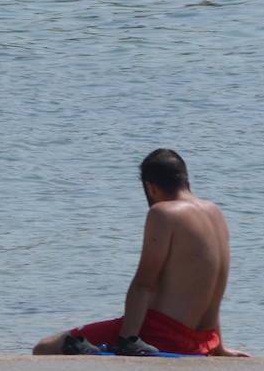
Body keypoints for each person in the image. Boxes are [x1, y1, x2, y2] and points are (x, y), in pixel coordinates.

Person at [32, 149, 250, 357]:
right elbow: (211, 288)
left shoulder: (163, 213)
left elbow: (145, 283)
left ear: (150, 187)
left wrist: (128, 340)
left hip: (164, 336)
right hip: (205, 340)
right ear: (186, 180)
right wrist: (219, 347)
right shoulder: (215, 212)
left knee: (45, 347)